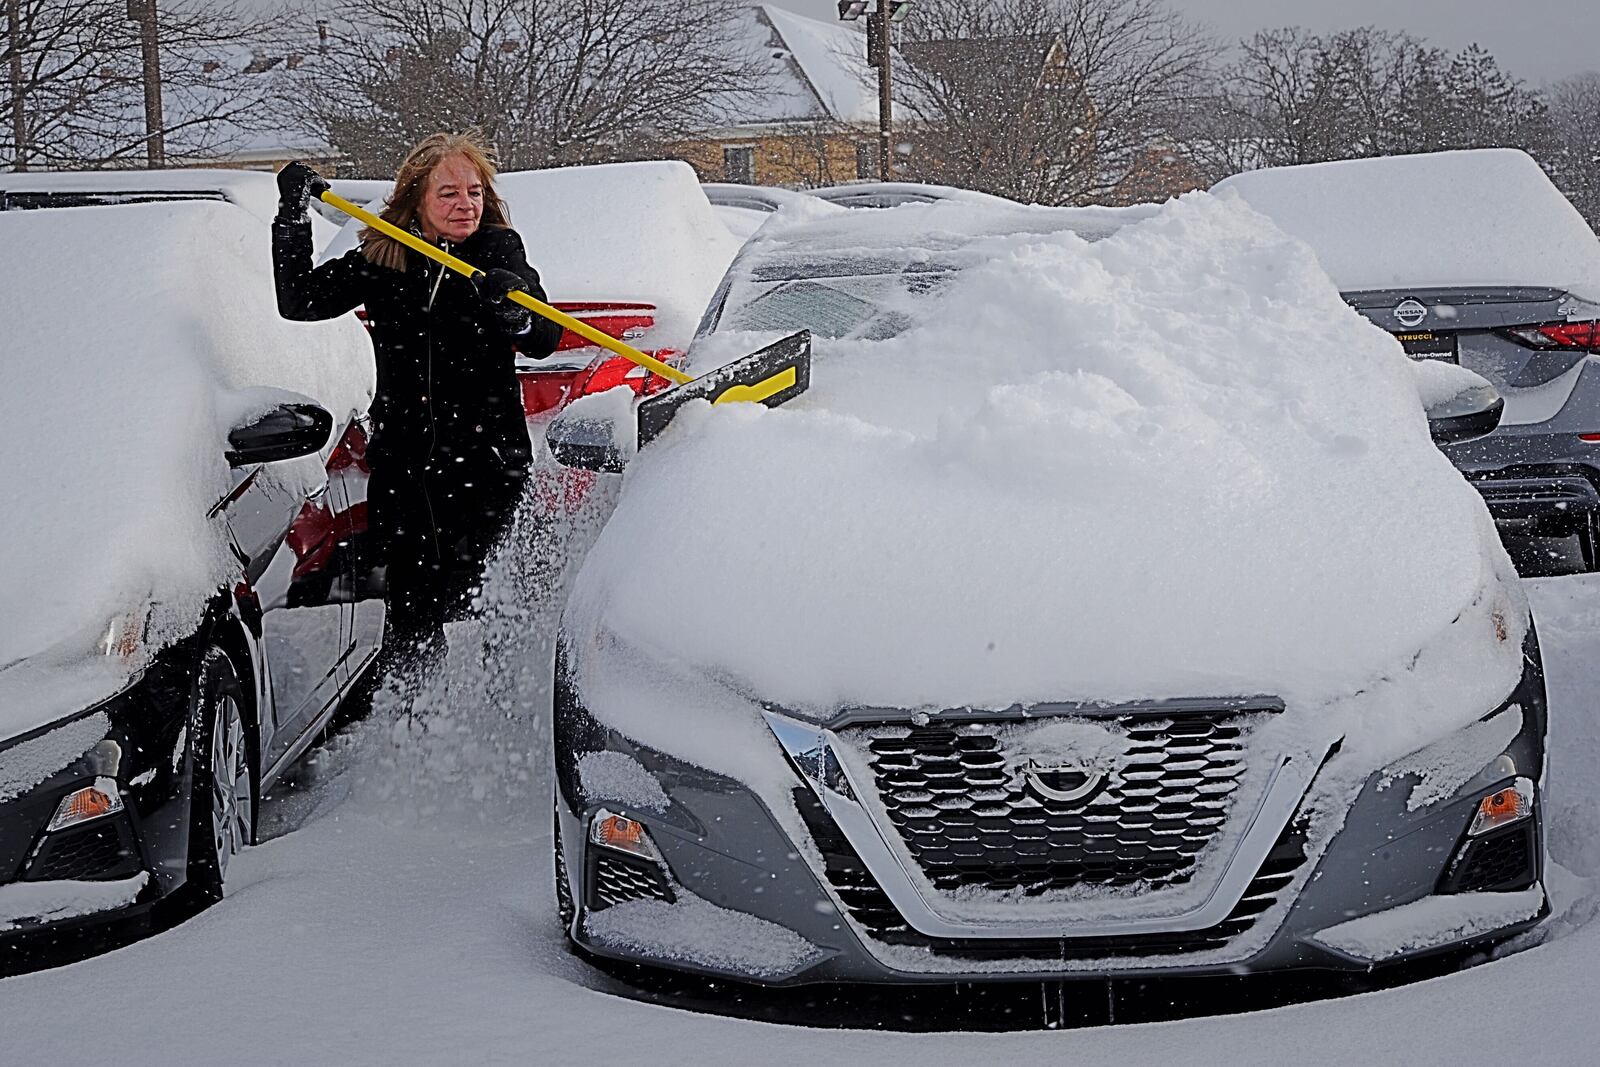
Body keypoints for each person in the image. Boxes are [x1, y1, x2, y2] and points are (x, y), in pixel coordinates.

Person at [271, 132, 563, 675]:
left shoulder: (498, 250)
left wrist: (515, 311)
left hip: (487, 462)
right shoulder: (386, 256)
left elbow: (543, 337)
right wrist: (292, 215)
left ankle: (502, 715)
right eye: (449, 193)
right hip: (408, 466)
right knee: (413, 612)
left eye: (474, 192)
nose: (465, 205)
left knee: (499, 601)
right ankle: (415, 725)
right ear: (417, 199)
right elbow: (300, 301)